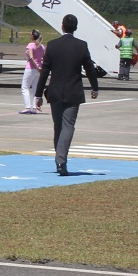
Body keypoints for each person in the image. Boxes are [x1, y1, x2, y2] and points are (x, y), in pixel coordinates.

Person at [35, 13, 100, 176]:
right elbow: (90, 68)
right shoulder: (81, 45)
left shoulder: (52, 45)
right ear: (75, 28)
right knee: (68, 126)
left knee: (58, 126)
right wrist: (95, 87)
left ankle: (60, 159)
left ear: (62, 26)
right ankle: (61, 160)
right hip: (73, 91)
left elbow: (44, 72)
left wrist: (37, 95)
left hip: (55, 91)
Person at [20, 29, 44, 114]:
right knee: (35, 88)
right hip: (39, 69)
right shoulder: (41, 46)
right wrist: (40, 67)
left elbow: (31, 57)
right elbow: (43, 57)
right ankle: (34, 107)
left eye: (31, 34)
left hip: (31, 68)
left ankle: (27, 107)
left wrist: (36, 66)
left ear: (33, 36)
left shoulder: (31, 45)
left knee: (24, 87)